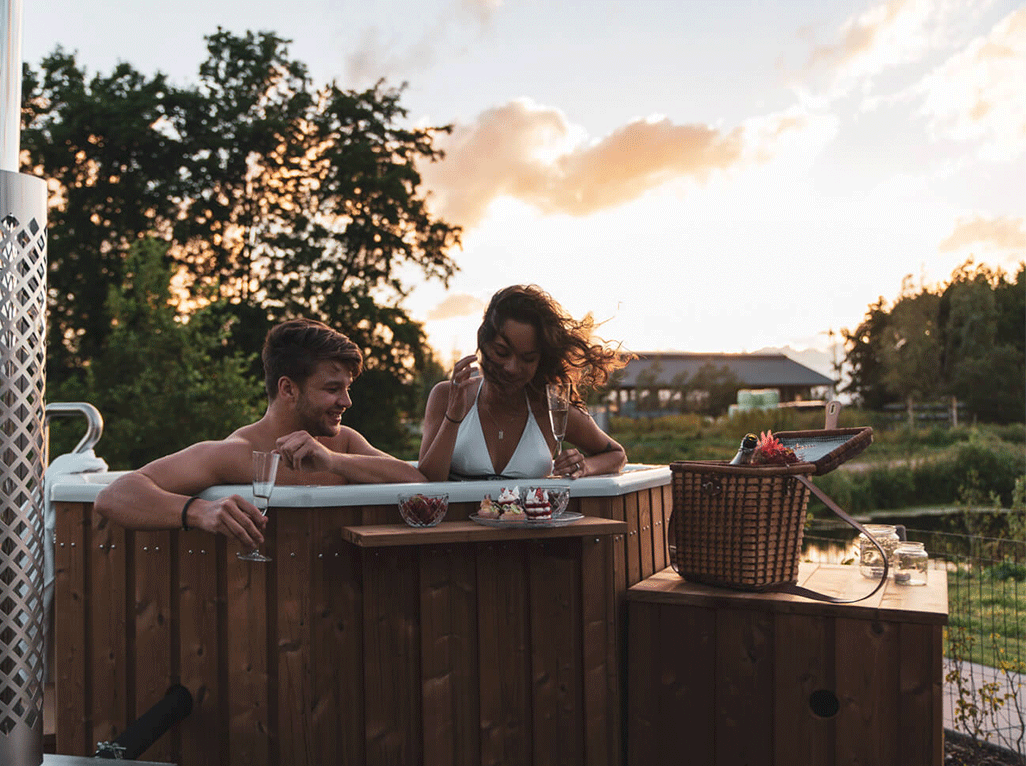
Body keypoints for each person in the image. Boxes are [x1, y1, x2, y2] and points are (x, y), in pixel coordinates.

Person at [95, 318, 425, 550]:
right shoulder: (235, 452)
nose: (346, 401)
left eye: (347, 388)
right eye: (332, 388)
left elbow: (419, 483)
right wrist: (200, 511)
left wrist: (333, 462)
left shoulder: (343, 443)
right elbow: (114, 496)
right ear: (288, 388)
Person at [419, 284, 631, 482]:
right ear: (484, 344)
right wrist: (453, 418)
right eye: (502, 352)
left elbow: (617, 455)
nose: (511, 367)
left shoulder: (551, 408)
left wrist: (584, 467)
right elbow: (428, 479)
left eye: (527, 358)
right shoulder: (445, 396)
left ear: (540, 360)